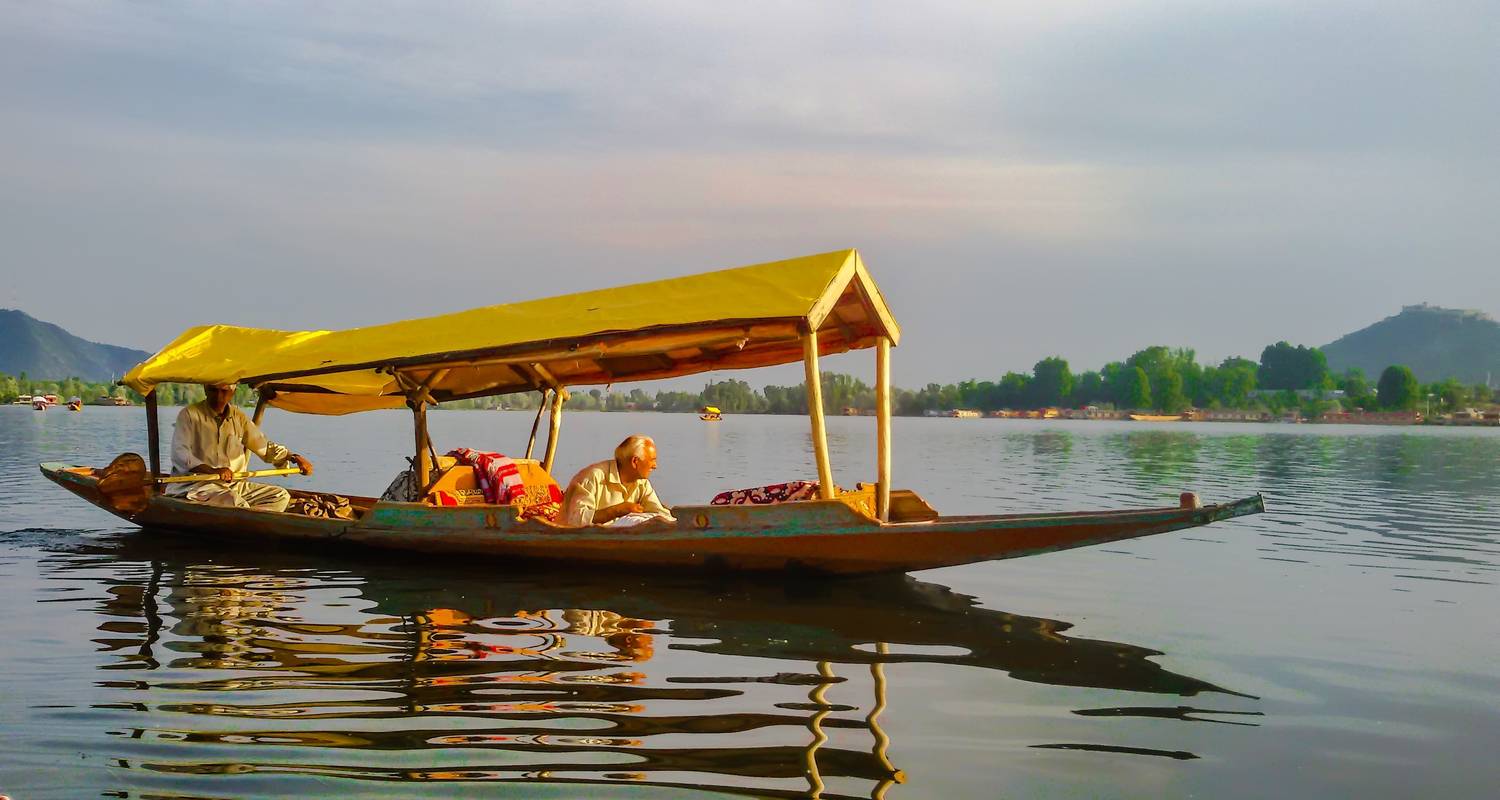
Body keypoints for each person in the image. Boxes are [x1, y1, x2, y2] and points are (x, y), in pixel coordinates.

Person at [169, 382, 313, 513]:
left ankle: (251, 522)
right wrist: (212, 470)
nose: (219, 396)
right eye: (213, 390)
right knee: (235, 502)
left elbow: (264, 447)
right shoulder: (189, 415)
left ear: (233, 392)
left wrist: (294, 458)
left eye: (224, 391)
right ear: (206, 389)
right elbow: (180, 454)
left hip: (233, 485)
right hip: (197, 486)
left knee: (280, 496)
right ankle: (249, 520)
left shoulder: (239, 417)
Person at [562, 434, 673, 526]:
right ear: (635, 461)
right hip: (586, 541)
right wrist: (617, 511)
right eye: (652, 460)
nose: (655, 466)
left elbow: (660, 513)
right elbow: (575, 520)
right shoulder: (593, 476)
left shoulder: (642, 484)